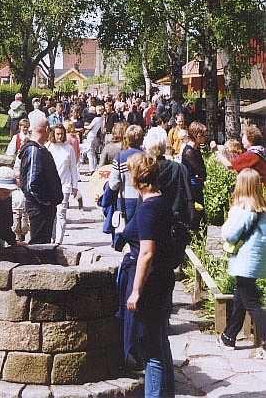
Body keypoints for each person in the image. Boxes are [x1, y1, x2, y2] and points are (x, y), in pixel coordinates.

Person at [116, 154, 175, 397]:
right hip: (163, 279)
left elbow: (147, 253)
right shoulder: (162, 201)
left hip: (150, 284)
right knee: (161, 342)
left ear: (136, 179)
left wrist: (136, 290)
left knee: (150, 350)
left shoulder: (148, 210)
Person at [218, 168, 266, 358]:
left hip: (244, 260)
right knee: (241, 296)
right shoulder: (262, 211)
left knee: (252, 303)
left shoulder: (243, 209)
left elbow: (229, 234)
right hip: (255, 260)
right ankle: (229, 336)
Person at [18, 119, 63, 244]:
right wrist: (45, 202)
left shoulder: (39, 149)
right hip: (39, 208)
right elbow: (31, 184)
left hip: (44, 207)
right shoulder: (34, 150)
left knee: (44, 243)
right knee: (38, 245)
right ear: (47, 129)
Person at [100, 125, 144, 242]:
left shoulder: (121, 157)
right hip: (144, 199)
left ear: (127, 139)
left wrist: (105, 199)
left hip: (126, 200)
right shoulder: (146, 157)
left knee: (127, 234)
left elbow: (114, 184)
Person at [47, 124, 78, 244]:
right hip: (50, 185)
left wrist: (74, 186)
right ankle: (52, 237)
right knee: (51, 213)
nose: (60, 136)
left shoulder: (69, 148)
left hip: (65, 184)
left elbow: (73, 168)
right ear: (53, 134)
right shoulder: (49, 147)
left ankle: (59, 241)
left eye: (62, 134)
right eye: (57, 134)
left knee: (61, 213)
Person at [181, 121, 207, 228]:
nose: (205, 137)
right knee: (195, 217)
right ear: (196, 135)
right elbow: (200, 170)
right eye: (203, 135)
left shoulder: (196, 149)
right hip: (191, 188)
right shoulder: (189, 152)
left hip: (197, 186)